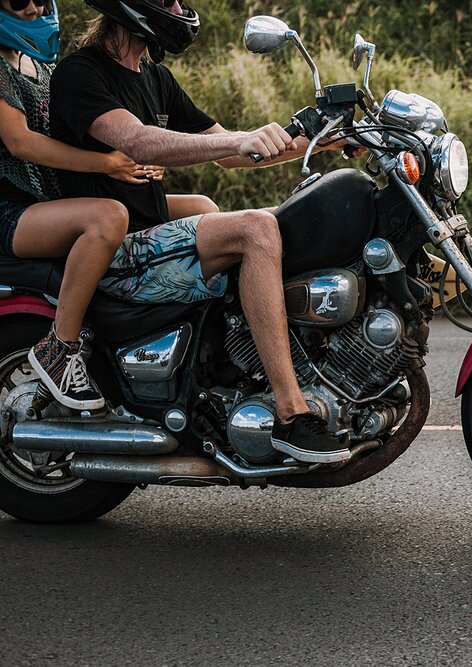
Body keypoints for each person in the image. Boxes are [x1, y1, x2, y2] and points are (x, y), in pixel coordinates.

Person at [48, 0, 355, 464]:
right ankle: (292, 414)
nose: (179, 8)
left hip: (149, 237)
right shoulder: (80, 74)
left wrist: (316, 140)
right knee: (256, 229)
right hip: (117, 251)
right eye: (169, 0)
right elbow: (137, 140)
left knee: (282, 220)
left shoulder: (154, 77)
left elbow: (231, 152)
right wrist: (236, 140)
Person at [0, 0, 150, 411]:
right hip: (11, 212)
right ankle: (58, 348)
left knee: (201, 207)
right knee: (108, 216)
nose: (31, 6)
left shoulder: (41, 67)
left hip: (52, 201)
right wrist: (107, 164)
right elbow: (21, 142)